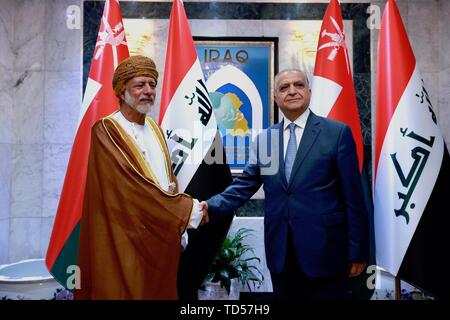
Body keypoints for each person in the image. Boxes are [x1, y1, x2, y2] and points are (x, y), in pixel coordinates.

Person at [199, 69, 369, 300]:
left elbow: (354, 198)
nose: (292, 91)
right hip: (281, 253)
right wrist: (207, 207)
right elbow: (244, 185)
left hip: (326, 252)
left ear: (309, 92)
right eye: (284, 88)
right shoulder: (266, 139)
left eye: (298, 85)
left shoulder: (336, 133)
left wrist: (357, 251)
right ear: (275, 98)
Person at [75, 55, 207, 300]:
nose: (148, 91)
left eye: (152, 84)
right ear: (122, 91)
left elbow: (167, 181)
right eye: (139, 85)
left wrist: (175, 224)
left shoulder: (155, 128)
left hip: (158, 236)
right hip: (123, 237)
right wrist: (185, 211)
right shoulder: (106, 129)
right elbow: (130, 186)